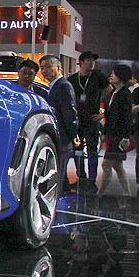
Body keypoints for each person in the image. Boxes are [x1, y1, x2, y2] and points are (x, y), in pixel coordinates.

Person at [69, 51, 111, 191]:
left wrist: (103, 113)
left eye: (93, 60)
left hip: (92, 120)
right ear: (81, 62)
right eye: (89, 60)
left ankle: (92, 181)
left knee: (92, 151)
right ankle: (81, 177)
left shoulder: (98, 77)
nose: (92, 63)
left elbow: (111, 93)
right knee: (77, 149)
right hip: (77, 120)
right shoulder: (73, 79)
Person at [40, 55, 77, 192]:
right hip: (58, 138)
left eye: (48, 67)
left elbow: (69, 113)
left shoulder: (63, 86)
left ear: (58, 68)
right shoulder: (53, 86)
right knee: (59, 176)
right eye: (42, 68)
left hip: (62, 139)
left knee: (58, 177)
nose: (44, 71)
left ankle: (58, 200)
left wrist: (72, 135)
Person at [97, 64, 134, 196]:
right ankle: (127, 193)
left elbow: (127, 117)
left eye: (114, 73)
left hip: (118, 135)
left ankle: (100, 193)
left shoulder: (125, 94)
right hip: (111, 134)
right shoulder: (113, 92)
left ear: (121, 76)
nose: (111, 76)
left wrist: (126, 137)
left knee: (106, 164)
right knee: (117, 166)